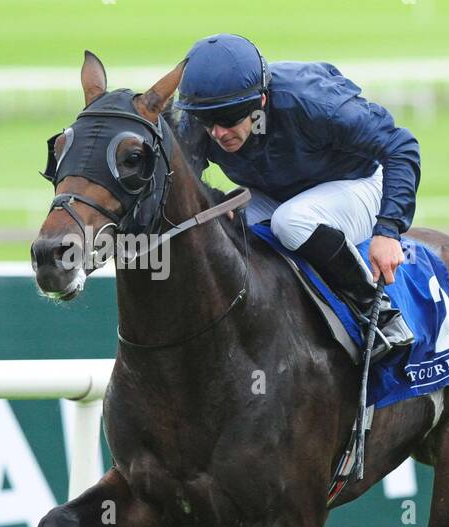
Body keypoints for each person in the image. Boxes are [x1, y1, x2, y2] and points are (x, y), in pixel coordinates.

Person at [174, 33, 417, 356]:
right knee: (213, 221)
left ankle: (379, 314)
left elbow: (401, 146)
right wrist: (215, 198)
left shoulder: (314, 103)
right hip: (279, 193)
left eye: (229, 121)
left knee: (291, 222)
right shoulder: (202, 115)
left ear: (259, 103)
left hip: (357, 183)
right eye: (207, 122)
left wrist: (388, 230)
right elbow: (179, 180)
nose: (217, 133)